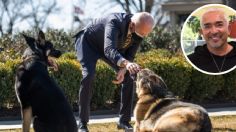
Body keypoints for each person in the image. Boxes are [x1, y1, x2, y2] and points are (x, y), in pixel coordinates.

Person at [74, 12, 154, 132]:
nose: (142, 37)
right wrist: (126, 63)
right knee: (88, 76)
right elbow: (109, 49)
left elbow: (130, 54)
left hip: (108, 48)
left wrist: (123, 69)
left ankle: (124, 122)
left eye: (145, 35)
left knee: (129, 77)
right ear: (132, 25)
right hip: (88, 43)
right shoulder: (114, 22)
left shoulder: (139, 30)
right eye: (141, 33)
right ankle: (82, 124)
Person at [187, 8, 236, 73]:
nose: (214, 31)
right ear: (202, 32)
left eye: (219, 25)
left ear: (229, 29)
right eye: (207, 26)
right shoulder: (192, 61)